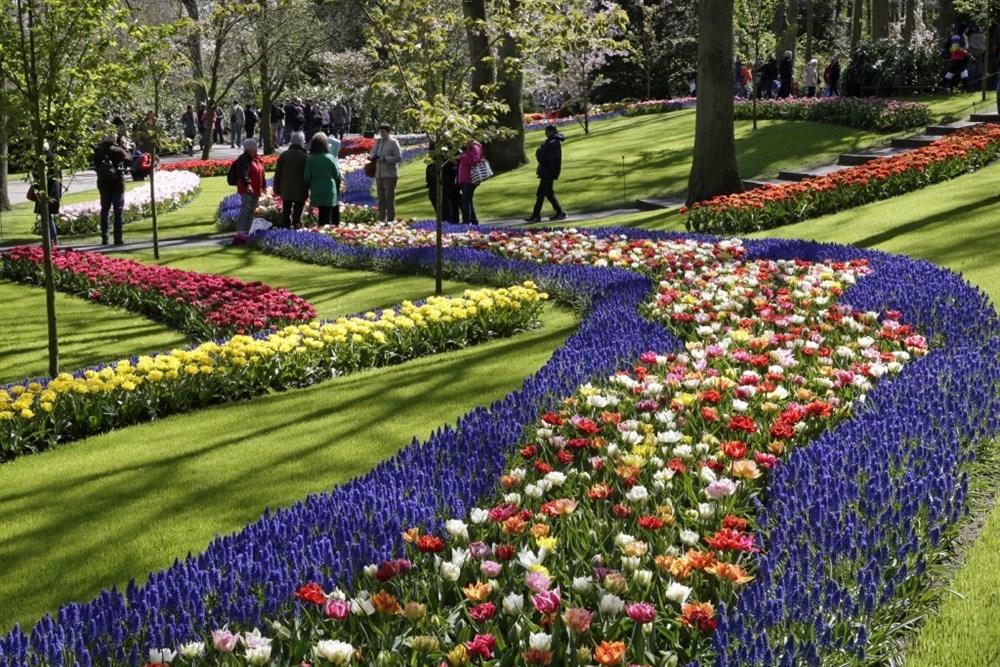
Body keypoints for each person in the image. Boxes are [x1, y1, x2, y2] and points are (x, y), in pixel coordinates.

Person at [93, 131, 130, 245]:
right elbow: (129, 159)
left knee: (105, 210)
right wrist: (125, 147)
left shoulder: (98, 150)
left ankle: (105, 237)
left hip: (103, 184)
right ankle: (118, 238)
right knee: (118, 211)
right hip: (117, 183)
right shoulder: (118, 150)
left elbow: (95, 165)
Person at [525, 124, 566, 223]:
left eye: (547, 132)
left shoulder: (552, 143)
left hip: (548, 171)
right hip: (549, 171)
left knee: (541, 194)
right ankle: (560, 212)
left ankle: (536, 215)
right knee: (548, 193)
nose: (545, 134)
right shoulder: (552, 142)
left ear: (552, 131)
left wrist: (539, 151)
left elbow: (543, 156)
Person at [304, 132, 342, 227]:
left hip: (316, 190)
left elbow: (306, 177)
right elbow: (336, 174)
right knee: (327, 212)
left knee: (322, 212)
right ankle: (326, 233)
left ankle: (322, 232)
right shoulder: (330, 158)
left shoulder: (310, 159)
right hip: (329, 190)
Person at [273, 131, 309, 229]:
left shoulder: (284, 155)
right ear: (302, 142)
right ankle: (296, 226)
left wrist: (276, 188)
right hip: (300, 190)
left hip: (286, 189)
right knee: (298, 211)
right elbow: (308, 175)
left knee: (286, 210)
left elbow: (278, 173)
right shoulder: (304, 157)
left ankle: (285, 228)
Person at [369, 124, 401, 222]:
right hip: (379, 173)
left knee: (389, 197)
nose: (382, 134)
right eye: (381, 132)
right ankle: (381, 219)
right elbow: (373, 152)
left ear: (388, 132)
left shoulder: (393, 142)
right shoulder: (378, 142)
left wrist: (386, 159)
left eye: (384, 132)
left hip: (390, 174)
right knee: (381, 197)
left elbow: (398, 157)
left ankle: (390, 219)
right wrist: (372, 156)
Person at [233, 138, 266, 232]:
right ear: (249, 149)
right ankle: (241, 231)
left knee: (252, 210)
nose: (256, 149)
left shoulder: (257, 159)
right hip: (247, 189)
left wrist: (263, 185)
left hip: (256, 188)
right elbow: (243, 173)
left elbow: (261, 173)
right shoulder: (243, 159)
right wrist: (248, 184)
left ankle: (248, 230)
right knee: (246, 210)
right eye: (255, 148)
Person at [33, 145, 61, 245]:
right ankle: (52, 239)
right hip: (53, 192)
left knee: (47, 216)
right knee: (48, 216)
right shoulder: (54, 158)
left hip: (47, 192)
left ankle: (52, 239)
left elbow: (39, 176)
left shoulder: (44, 160)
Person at [455, 139, 484, 225]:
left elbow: (475, 160)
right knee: (468, 200)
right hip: (465, 178)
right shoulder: (469, 148)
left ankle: (466, 222)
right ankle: (473, 221)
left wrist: (463, 156)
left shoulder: (475, 146)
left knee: (465, 201)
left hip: (470, 179)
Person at [425, 155, 460, 224]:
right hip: (445, 190)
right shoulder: (448, 165)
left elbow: (428, 181)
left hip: (438, 190)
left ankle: (448, 224)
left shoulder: (431, 166)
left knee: (444, 211)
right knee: (448, 209)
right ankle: (450, 224)